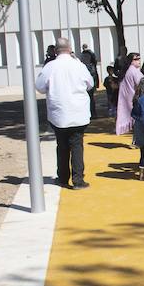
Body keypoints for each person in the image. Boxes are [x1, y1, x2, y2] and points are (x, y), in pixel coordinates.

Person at [35, 37, 94, 189]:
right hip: (78, 112)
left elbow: (40, 87)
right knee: (77, 146)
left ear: (55, 50)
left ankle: (62, 177)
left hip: (59, 113)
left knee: (61, 146)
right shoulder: (78, 65)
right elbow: (90, 84)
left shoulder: (50, 67)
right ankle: (78, 179)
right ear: (70, 49)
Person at [115, 52, 144, 137]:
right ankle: (136, 141)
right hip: (135, 99)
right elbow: (142, 84)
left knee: (135, 120)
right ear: (131, 61)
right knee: (138, 121)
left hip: (128, 99)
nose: (138, 61)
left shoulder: (127, 70)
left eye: (139, 59)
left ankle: (136, 140)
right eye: (136, 59)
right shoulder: (133, 71)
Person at [80, 44, 100, 119]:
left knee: (89, 97)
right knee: (90, 97)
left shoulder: (87, 54)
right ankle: (92, 113)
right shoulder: (89, 54)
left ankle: (92, 113)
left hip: (90, 76)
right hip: (90, 76)